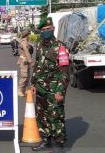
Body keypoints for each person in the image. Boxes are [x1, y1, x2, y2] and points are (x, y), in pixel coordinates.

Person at [31, 17, 69, 152]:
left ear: (53, 29)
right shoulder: (39, 46)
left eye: (48, 29)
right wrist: (33, 83)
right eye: (43, 30)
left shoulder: (61, 46)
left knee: (56, 116)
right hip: (41, 88)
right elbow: (37, 66)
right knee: (41, 116)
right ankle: (45, 140)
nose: (46, 31)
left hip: (54, 89)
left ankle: (59, 143)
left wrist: (60, 91)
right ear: (40, 31)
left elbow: (64, 71)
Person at [17, 30, 34, 97]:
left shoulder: (26, 42)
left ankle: (26, 90)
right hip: (24, 61)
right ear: (27, 35)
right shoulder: (24, 42)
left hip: (25, 61)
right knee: (24, 76)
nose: (30, 36)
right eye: (29, 35)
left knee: (28, 76)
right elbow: (27, 52)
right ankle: (19, 90)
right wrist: (31, 61)